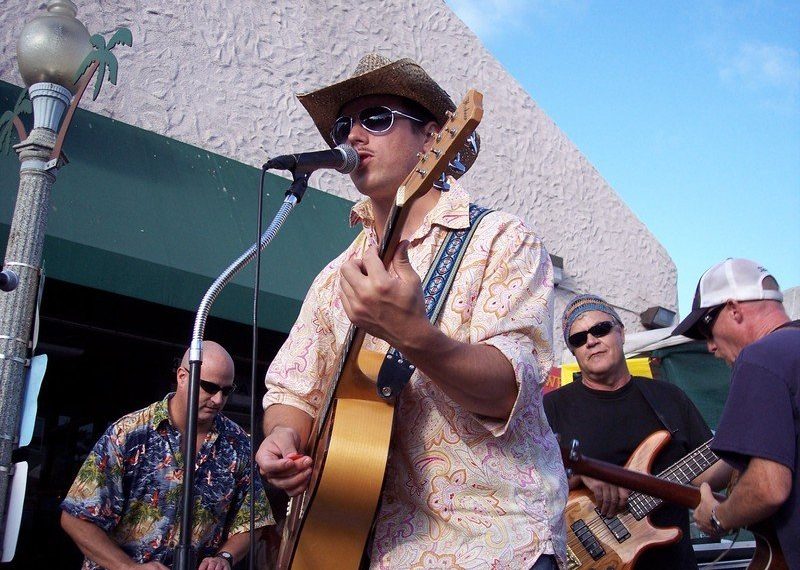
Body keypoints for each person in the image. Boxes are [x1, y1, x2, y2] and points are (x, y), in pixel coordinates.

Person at [254, 53, 568, 569]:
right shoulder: (338, 273)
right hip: (370, 548)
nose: (353, 136)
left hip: (492, 545)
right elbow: (293, 388)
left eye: (376, 118)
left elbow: (512, 387)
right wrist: (282, 438)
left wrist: (412, 335)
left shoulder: (499, 240)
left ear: (431, 138)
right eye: (344, 124)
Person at [60, 341, 274, 570]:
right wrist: (127, 567)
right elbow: (76, 518)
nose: (218, 399)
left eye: (227, 390)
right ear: (182, 376)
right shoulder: (129, 433)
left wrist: (225, 557)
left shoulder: (238, 443)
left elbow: (254, 521)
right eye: (209, 387)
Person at [544, 294, 719, 570]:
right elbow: (525, 484)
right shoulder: (552, 407)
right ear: (574, 352)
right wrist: (581, 474)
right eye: (578, 339)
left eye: (600, 329)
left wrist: (740, 454)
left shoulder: (668, 398)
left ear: (621, 333)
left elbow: (706, 475)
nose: (591, 341)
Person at [674, 258, 798, 569]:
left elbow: (769, 486)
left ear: (734, 309)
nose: (710, 347)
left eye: (707, 329)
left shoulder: (759, 358)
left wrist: (718, 516)